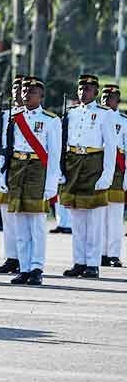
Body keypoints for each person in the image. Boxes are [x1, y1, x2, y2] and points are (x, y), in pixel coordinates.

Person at [1, 77, 61, 285]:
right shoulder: (14, 117)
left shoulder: (51, 120)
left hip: (37, 170)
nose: (26, 94)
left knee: (36, 224)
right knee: (20, 223)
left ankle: (36, 267)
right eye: (24, 90)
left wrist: (51, 183)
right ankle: (24, 267)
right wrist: (2, 175)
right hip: (17, 168)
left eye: (32, 91)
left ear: (41, 96)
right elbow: (6, 149)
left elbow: (54, 155)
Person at [61, 74, 117, 279]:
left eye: (87, 89)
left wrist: (107, 175)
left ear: (95, 92)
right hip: (74, 162)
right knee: (76, 217)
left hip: (94, 162)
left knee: (93, 219)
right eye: (81, 89)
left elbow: (111, 146)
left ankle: (92, 263)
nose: (83, 93)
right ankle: (79, 261)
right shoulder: (72, 113)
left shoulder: (105, 114)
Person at [0, 75, 25, 274]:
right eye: (15, 87)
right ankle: (11, 256)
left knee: (22, 215)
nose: (17, 91)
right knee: (7, 215)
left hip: (25, 166)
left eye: (21, 88)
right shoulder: (6, 115)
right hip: (7, 166)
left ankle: (24, 257)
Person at [100, 84, 126, 267]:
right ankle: (100, 252)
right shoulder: (97, 116)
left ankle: (113, 253)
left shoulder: (124, 121)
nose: (105, 101)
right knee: (98, 214)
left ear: (117, 100)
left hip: (117, 169)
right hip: (98, 168)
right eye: (103, 97)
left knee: (115, 216)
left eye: (109, 98)